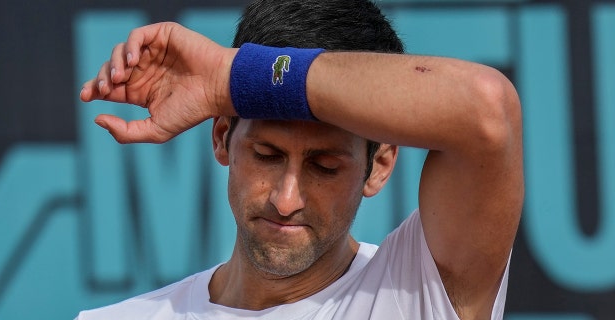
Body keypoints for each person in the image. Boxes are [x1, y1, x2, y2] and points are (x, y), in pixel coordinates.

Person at [75, 0, 524, 319]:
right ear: (221, 136)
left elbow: (486, 110)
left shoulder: (419, 294)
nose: (286, 200)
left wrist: (234, 77)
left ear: (380, 165)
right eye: (267, 155)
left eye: (325, 166)